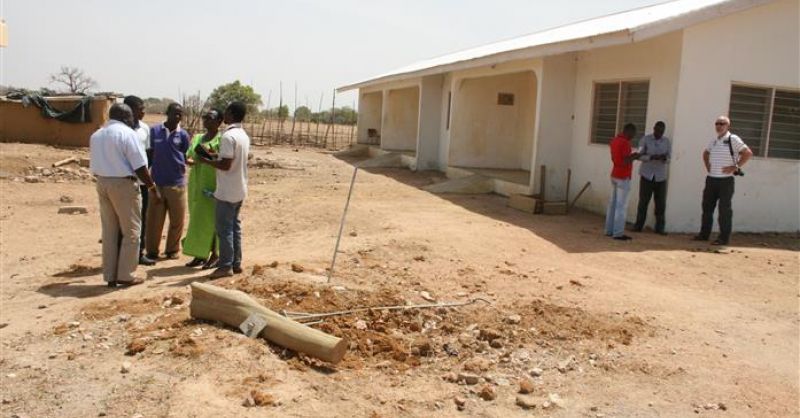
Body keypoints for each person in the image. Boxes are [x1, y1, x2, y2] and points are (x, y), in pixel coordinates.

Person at [89, 103, 159, 288]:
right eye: (130, 117)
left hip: (102, 182)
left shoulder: (97, 135)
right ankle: (126, 275)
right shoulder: (128, 134)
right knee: (132, 231)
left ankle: (110, 275)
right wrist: (152, 188)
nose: (132, 120)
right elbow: (140, 166)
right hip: (124, 184)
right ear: (125, 117)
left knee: (110, 231)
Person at [197, 101, 250, 278]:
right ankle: (236, 263)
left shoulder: (228, 136)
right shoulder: (242, 134)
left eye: (226, 112)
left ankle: (225, 266)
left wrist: (206, 161)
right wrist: (213, 156)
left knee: (224, 229)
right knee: (234, 227)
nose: (223, 116)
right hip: (239, 188)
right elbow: (231, 160)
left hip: (227, 190)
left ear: (232, 114)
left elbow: (225, 165)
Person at [693, 116, 753, 245]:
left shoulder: (733, 139)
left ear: (728, 126)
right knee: (707, 208)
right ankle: (704, 235)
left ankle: (723, 238)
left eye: (722, 123)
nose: (719, 126)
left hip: (725, 181)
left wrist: (735, 166)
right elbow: (705, 153)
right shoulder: (714, 141)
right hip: (711, 179)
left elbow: (747, 153)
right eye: (717, 123)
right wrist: (708, 166)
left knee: (724, 210)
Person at [145, 103, 191, 260]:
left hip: (177, 183)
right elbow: (149, 155)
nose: (177, 117)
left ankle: (172, 250)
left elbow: (184, 155)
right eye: (175, 113)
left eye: (180, 114)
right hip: (157, 183)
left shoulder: (183, 135)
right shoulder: (154, 131)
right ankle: (152, 251)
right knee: (154, 221)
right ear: (167, 113)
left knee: (177, 220)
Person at [183, 109, 223, 269]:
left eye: (210, 118)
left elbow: (223, 159)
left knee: (213, 220)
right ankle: (200, 254)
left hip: (213, 183)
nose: (206, 120)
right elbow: (190, 154)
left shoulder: (222, 139)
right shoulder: (198, 137)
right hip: (197, 182)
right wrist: (191, 160)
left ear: (219, 121)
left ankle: (215, 254)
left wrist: (211, 156)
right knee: (197, 220)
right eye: (204, 117)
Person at [123, 95, 156, 266]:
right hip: (125, 181)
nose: (143, 111)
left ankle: (139, 252)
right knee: (124, 219)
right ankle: (123, 255)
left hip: (142, 181)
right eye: (140, 108)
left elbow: (149, 152)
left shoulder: (144, 129)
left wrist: (145, 173)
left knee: (141, 217)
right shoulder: (121, 130)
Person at [633, 121, 671, 235]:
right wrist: (651, 157)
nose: (659, 133)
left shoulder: (666, 142)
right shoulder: (645, 140)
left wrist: (664, 158)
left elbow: (669, 158)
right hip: (647, 175)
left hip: (660, 177)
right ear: (654, 128)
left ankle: (660, 228)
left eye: (661, 131)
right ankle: (638, 226)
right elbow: (638, 156)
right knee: (643, 202)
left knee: (660, 204)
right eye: (657, 130)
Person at [605, 123, 639, 241]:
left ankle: (609, 230)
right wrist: (635, 156)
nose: (633, 136)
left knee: (612, 204)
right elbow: (625, 161)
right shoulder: (625, 143)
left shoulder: (614, 140)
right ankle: (618, 233)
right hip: (623, 176)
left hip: (614, 174)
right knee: (621, 206)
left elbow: (616, 158)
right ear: (628, 131)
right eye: (633, 134)